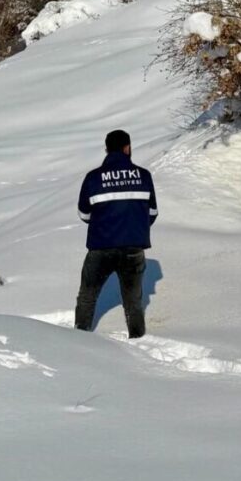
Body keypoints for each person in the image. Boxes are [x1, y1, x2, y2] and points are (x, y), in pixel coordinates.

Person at [74, 130, 158, 338]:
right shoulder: (143, 176)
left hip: (100, 247)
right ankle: (137, 340)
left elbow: (84, 214)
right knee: (133, 303)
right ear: (127, 148)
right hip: (133, 248)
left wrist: (103, 224)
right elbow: (152, 213)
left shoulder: (93, 178)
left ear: (106, 149)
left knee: (87, 297)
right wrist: (135, 226)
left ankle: (78, 340)